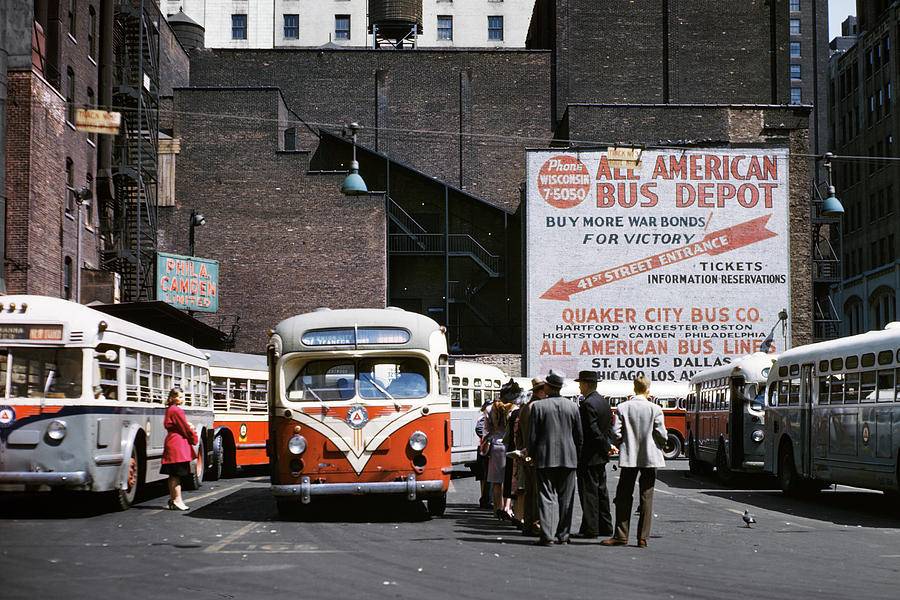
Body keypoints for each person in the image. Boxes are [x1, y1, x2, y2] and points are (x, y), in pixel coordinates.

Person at [601, 375, 667, 548]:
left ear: (634, 388)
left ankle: (621, 535)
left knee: (623, 495)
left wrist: (621, 443)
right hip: (650, 457)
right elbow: (662, 434)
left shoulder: (623, 407)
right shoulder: (656, 408)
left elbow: (616, 433)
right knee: (647, 496)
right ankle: (642, 538)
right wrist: (658, 445)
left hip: (629, 456)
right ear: (648, 389)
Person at [527, 370, 582, 546]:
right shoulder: (573, 407)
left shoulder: (538, 407)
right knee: (566, 499)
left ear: (549, 387)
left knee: (546, 497)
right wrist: (576, 456)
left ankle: (547, 535)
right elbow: (579, 436)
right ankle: (563, 535)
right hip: (569, 458)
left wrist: (532, 454)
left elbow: (533, 436)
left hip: (545, 458)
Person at [575, 370, 614, 539]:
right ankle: (605, 525)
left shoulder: (587, 404)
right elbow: (607, 428)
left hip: (589, 454)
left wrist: (604, 445)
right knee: (601, 491)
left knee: (588, 492)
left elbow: (592, 430)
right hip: (600, 455)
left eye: (580, 383)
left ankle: (591, 528)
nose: (579, 387)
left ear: (586, 384)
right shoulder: (603, 402)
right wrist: (608, 445)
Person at [516, 378, 547, 536]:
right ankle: (535, 523)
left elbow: (519, 433)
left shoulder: (526, 407)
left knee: (529, 491)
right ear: (540, 391)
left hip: (526, 454)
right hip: (535, 454)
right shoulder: (536, 407)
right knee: (536, 491)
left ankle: (528, 523)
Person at [161, 387, 198, 511]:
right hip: (179, 446)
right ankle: (177, 500)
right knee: (177, 475)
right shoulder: (177, 411)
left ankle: (174, 499)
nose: (182, 399)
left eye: (182, 397)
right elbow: (185, 429)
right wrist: (194, 437)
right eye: (180, 397)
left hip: (171, 443)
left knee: (172, 475)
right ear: (173, 398)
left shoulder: (169, 410)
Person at [484, 389, 513, 520]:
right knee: (509, 480)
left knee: (496, 482)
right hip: (510, 446)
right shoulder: (512, 408)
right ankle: (508, 507)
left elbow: (486, 430)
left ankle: (497, 509)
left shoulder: (490, 409)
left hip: (496, 446)